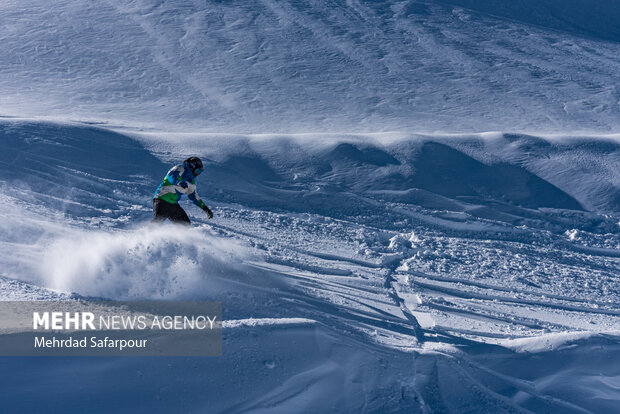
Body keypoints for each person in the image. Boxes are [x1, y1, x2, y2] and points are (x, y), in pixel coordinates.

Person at [152, 156, 213, 225]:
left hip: (173, 204)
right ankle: (145, 234)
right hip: (162, 199)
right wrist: (179, 182)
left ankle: (173, 235)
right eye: (197, 171)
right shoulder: (180, 168)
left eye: (200, 171)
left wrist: (205, 209)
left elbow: (195, 197)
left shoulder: (191, 182)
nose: (198, 174)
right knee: (157, 222)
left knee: (185, 224)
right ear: (192, 166)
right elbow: (172, 176)